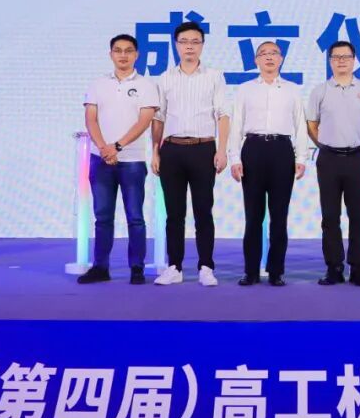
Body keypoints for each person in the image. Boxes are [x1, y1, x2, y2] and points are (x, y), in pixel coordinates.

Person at [150, 22, 230, 286]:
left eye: (195, 41)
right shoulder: (165, 78)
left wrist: (222, 150)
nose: (189, 47)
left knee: (203, 211)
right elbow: (158, 117)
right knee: (174, 213)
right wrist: (155, 151)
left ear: (202, 45)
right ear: (176, 45)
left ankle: (206, 267)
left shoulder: (214, 76)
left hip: (203, 148)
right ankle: (174, 266)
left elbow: (223, 114)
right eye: (184, 41)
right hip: (171, 149)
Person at [78, 34, 159, 285]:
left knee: (135, 217)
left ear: (137, 55)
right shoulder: (98, 84)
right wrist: (104, 148)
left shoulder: (146, 85)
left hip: (132, 161)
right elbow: (91, 118)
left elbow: (144, 121)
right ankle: (100, 267)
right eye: (118, 50)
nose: (123, 55)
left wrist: (118, 146)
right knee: (102, 217)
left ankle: (137, 268)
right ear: (111, 54)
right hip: (100, 159)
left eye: (128, 50)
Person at [228, 42, 308, 286]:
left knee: (279, 216)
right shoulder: (245, 89)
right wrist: (234, 158)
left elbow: (300, 125)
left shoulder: (292, 90)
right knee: (253, 216)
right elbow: (236, 125)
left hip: (281, 150)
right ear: (256, 60)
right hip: (253, 149)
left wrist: (301, 158)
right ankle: (251, 271)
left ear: (281, 59)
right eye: (264, 54)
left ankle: (276, 271)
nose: (269, 58)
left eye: (274, 53)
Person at [306, 41, 360, 287]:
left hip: (358, 158)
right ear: (330, 61)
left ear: (354, 60)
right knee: (330, 216)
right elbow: (312, 125)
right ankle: (334, 267)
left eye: (346, 57)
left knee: (358, 216)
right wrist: (324, 144)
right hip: (328, 159)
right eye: (336, 57)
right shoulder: (320, 91)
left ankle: (358, 268)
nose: (341, 61)